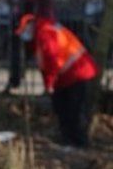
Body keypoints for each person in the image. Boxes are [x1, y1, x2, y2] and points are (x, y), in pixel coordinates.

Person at [15, 12, 98, 147]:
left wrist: (49, 84)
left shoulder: (45, 34)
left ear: (30, 25)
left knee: (73, 111)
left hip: (77, 74)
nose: (24, 35)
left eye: (24, 31)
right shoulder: (44, 32)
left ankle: (79, 143)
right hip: (72, 75)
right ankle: (71, 141)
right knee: (65, 109)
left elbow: (53, 62)